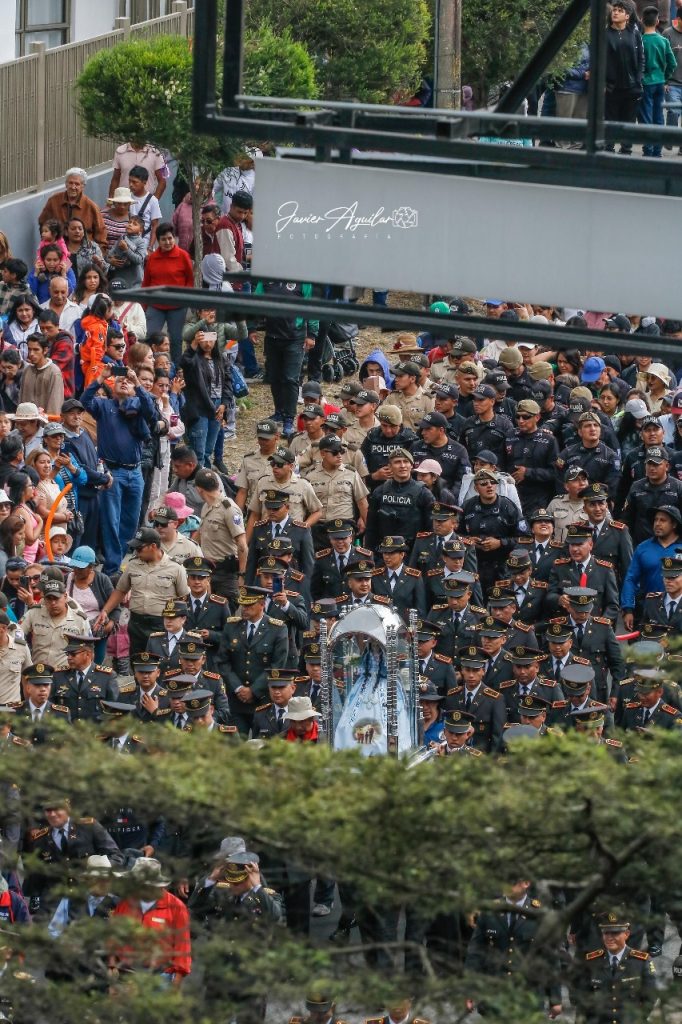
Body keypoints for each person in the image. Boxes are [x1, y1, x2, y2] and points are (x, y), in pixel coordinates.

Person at [81, 364, 158, 574]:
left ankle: (123, 562)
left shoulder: (140, 405)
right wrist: (101, 377)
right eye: (119, 380)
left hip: (135, 472)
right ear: (112, 387)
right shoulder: (105, 406)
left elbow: (152, 413)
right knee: (111, 521)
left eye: (128, 381)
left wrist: (138, 383)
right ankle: (112, 566)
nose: (124, 382)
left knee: (130, 521)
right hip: (113, 471)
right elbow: (84, 401)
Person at [94, 526, 190, 656]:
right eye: (135, 549)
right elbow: (120, 590)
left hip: (161, 623)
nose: (137, 552)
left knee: (159, 663)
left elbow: (184, 598)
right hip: (137, 623)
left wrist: (178, 623)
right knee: (137, 663)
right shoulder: (133, 565)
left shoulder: (175, 568)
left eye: (140, 548)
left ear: (153, 546)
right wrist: (105, 611)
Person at [217, 584, 289, 735]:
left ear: (262, 604)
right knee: (236, 747)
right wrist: (238, 688)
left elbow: (277, 665)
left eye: (249, 605)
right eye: (243, 604)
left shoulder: (277, 629)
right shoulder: (232, 627)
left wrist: (253, 690)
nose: (244, 608)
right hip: (236, 701)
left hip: (263, 700)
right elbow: (223, 661)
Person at [111, 857, 191, 987]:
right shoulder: (125, 903)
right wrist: (112, 965)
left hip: (159, 978)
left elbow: (183, 947)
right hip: (126, 975)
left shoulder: (176, 907)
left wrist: (177, 981)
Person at [179, 325, 232, 469]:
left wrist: (224, 404)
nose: (208, 344)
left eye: (211, 340)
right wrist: (194, 344)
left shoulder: (220, 358)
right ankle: (198, 481)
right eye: (204, 340)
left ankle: (205, 479)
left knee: (208, 449)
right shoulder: (194, 359)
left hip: (217, 406)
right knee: (198, 451)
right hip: (199, 407)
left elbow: (227, 381)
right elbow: (184, 361)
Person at [141, 223, 194, 363]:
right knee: (151, 337)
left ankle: (176, 369)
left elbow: (190, 280)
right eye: (163, 239)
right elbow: (146, 282)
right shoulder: (152, 258)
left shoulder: (183, 256)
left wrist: (185, 299)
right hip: (155, 305)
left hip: (177, 306)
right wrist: (144, 305)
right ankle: (149, 366)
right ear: (158, 240)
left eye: (170, 238)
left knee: (176, 339)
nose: (168, 242)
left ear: (174, 238)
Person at [195, 468, 247, 601]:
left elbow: (242, 545)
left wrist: (242, 575)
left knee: (226, 614)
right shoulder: (207, 507)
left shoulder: (229, 509)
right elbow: (201, 534)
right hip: (207, 570)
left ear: (199, 489)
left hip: (225, 573)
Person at [605, 0, 645, 154]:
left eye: (620, 10)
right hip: (611, 87)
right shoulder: (605, 34)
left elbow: (641, 57)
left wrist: (639, 78)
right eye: (614, 10)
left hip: (631, 87)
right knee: (610, 121)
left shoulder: (634, 33)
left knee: (628, 121)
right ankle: (608, 150)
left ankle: (626, 150)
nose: (615, 12)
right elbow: (598, 59)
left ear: (627, 16)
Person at [638, 5, 677, 158]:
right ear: (657, 22)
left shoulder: (640, 41)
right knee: (659, 117)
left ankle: (648, 150)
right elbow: (672, 63)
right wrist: (666, 78)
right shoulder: (663, 40)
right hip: (660, 82)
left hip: (645, 83)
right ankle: (657, 151)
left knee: (646, 118)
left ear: (642, 21)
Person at [38, 167, 107, 246]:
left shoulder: (91, 206)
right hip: (57, 250)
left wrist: (98, 253)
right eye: (70, 183)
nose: (73, 187)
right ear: (66, 184)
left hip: (84, 251)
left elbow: (101, 233)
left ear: (83, 186)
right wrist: (47, 243)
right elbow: (42, 222)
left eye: (77, 184)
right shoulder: (54, 201)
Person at [18, 333, 64, 413]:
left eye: (36, 350)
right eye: (29, 349)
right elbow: (21, 401)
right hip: (25, 422)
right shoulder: (27, 370)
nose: (31, 353)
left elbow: (55, 406)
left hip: (45, 423)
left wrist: (50, 424)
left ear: (45, 350)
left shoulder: (54, 372)